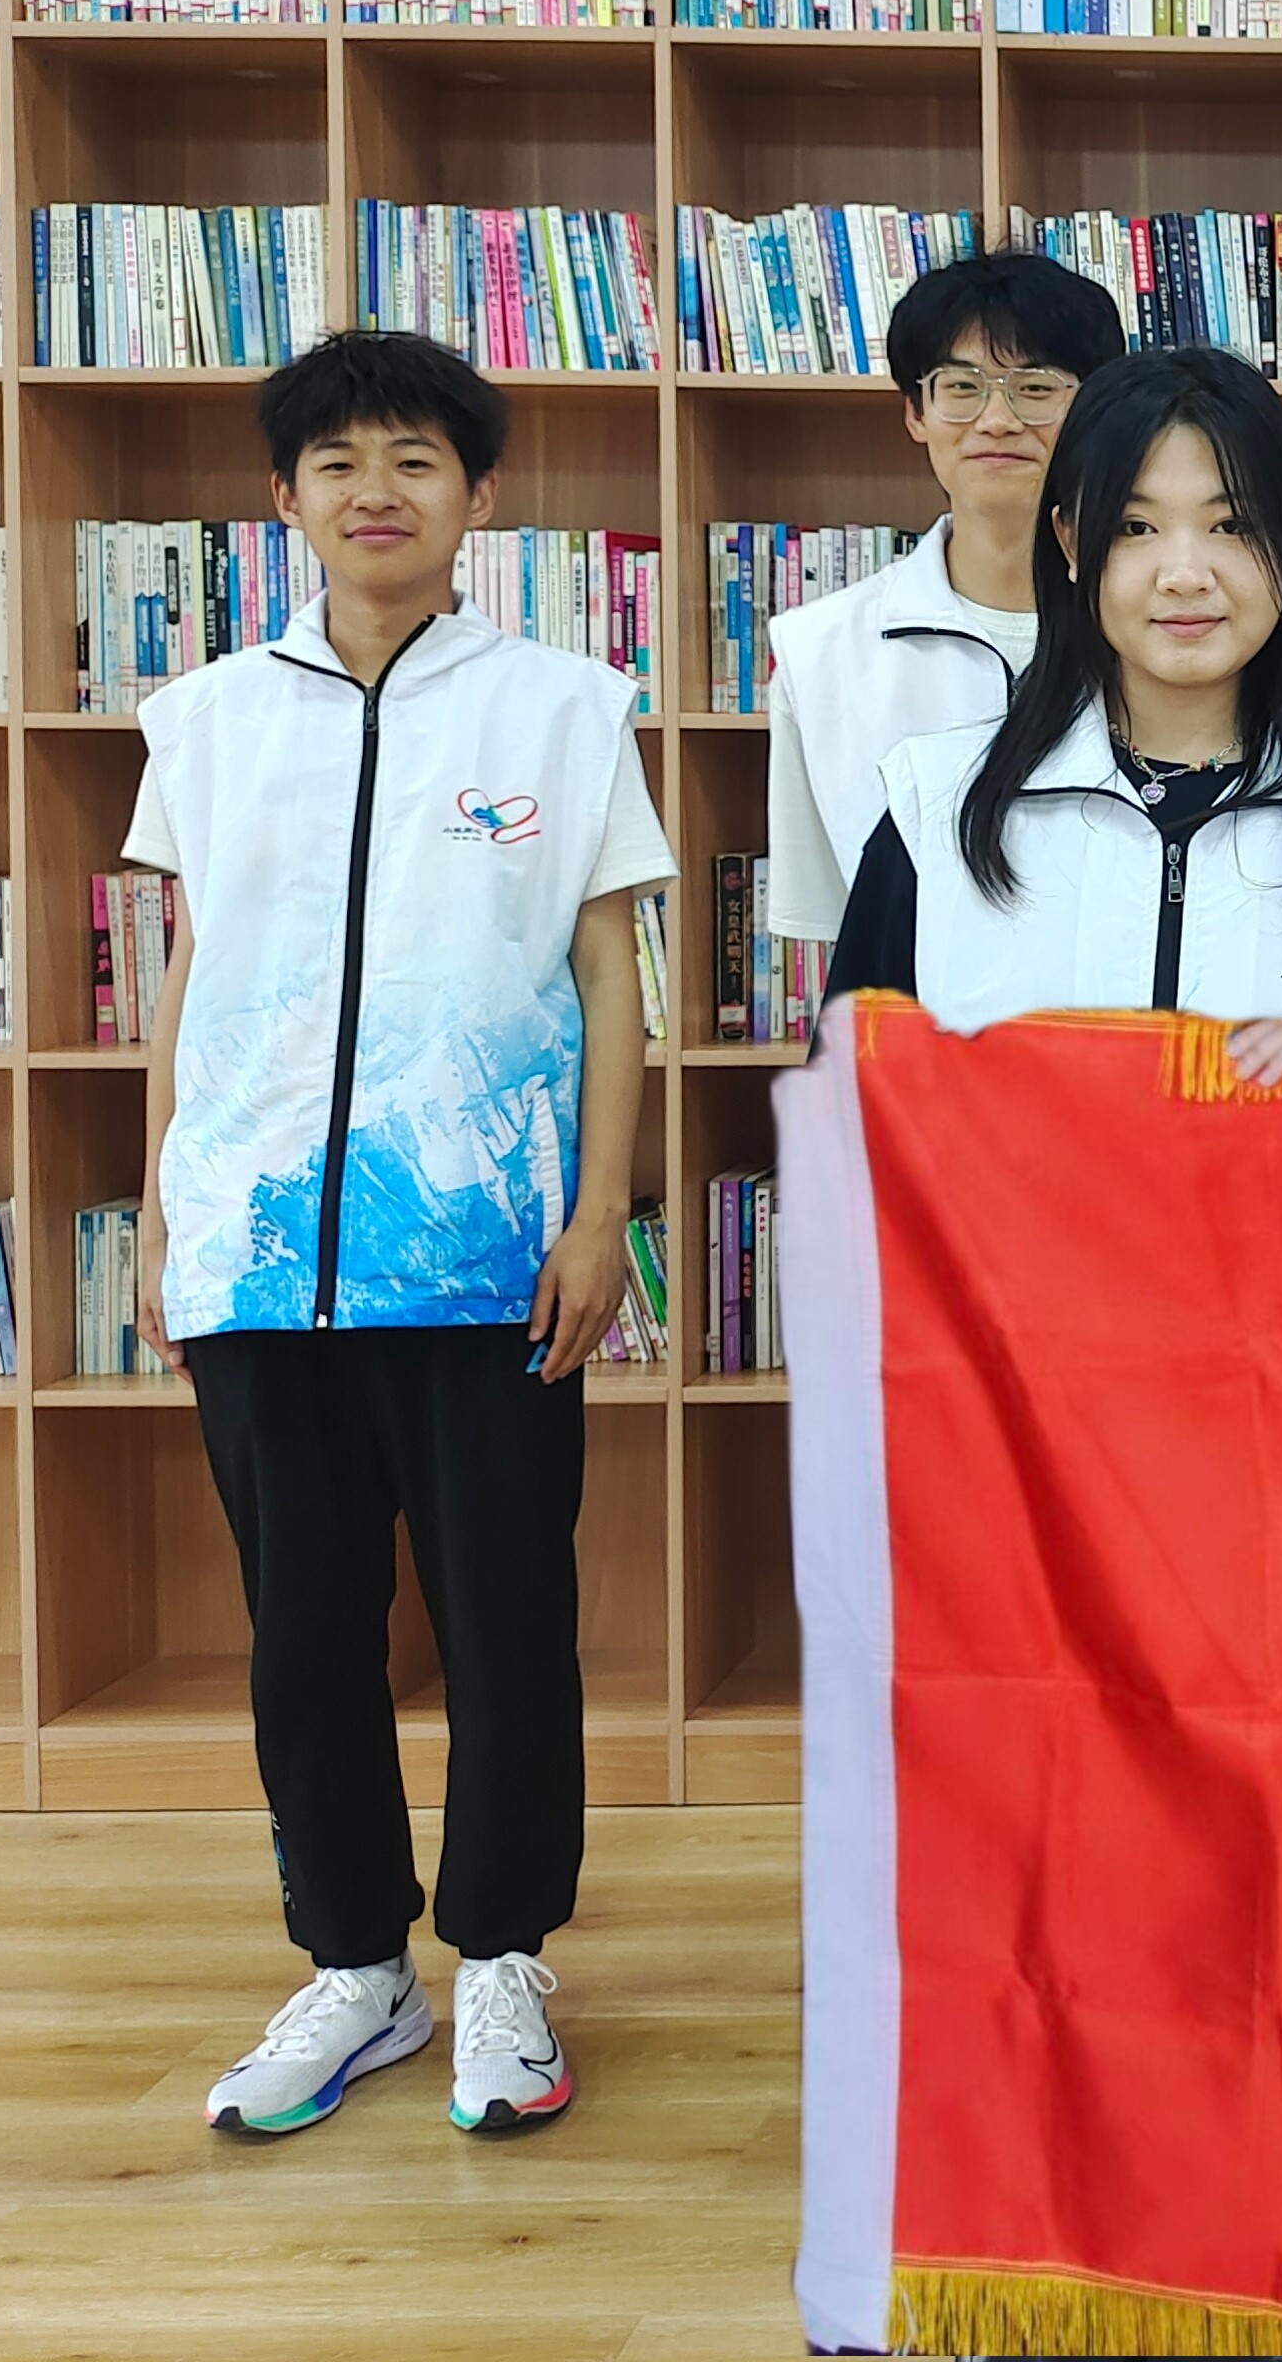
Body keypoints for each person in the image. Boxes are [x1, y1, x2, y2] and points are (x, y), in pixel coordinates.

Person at [129, 331, 674, 2142]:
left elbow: (608, 967)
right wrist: (164, 1211)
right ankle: (355, 1964)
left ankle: (503, 1955)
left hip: (485, 1253)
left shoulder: (565, 707)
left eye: (417, 461)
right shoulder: (207, 718)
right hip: (257, 1254)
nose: (377, 491)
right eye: (340, 463)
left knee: (510, 1622)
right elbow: (192, 975)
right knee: (303, 1632)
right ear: (284, 497)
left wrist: (601, 1212)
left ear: (479, 496)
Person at [826, 346, 1282, 1040]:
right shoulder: (936, 812)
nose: (1184, 575)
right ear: (1070, 542)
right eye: (1135, 527)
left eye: (1232, 525)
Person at [762, 250, 1128, 957]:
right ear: (916, 413)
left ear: (1093, 412)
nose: (997, 419)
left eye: (1036, 387)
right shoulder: (818, 652)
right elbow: (837, 928)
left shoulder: (1162, 629)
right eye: (961, 387)